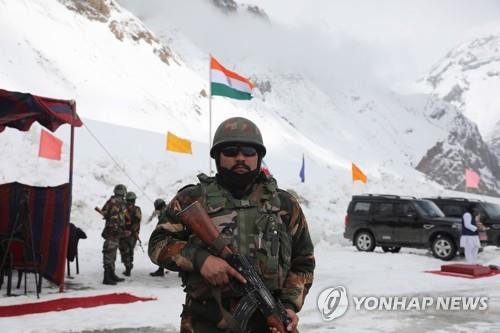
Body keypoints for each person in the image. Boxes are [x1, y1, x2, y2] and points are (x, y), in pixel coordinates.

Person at [148, 117, 315, 333]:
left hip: (268, 322)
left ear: (259, 157)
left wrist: (290, 306)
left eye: (248, 152)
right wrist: (201, 260)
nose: (240, 158)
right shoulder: (192, 199)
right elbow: (157, 245)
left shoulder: (285, 204)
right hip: (205, 322)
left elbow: (303, 263)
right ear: (218, 157)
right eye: (230, 152)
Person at [100, 184, 128, 285]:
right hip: (112, 232)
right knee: (109, 253)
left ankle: (111, 274)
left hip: (116, 232)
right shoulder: (113, 202)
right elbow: (105, 212)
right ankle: (106, 277)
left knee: (113, 253)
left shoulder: (119, 202)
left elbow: (105, 211)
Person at [119, 191, 142, 277]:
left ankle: (127, 266)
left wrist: (126, 231)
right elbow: (138, 222)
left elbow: (119, 221)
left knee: (124, 251)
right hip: (132, 234)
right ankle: (129, 265)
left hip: (125, 233)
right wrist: (132, 231)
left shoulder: (122, 208)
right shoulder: (137, 209)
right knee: (130, 250)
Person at [149, 198, 168, 277]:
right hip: (170, 233)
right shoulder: (168, 209)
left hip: (167, 234)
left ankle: (160, 270)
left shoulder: (164, 212)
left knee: (162, 252)